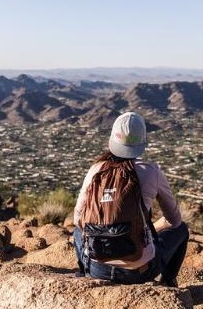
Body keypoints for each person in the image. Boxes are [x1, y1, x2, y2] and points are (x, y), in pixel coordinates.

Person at [73, 111, 189, 286]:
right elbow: (174, 220)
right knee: (182, 230)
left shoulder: (96, 170)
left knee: (76, 232)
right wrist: (148, 227)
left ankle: (83, 274)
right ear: (142, 141)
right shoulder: (151, 171)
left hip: (97, 269)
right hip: (139, 272)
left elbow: (78, 220)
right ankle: (168, 283)